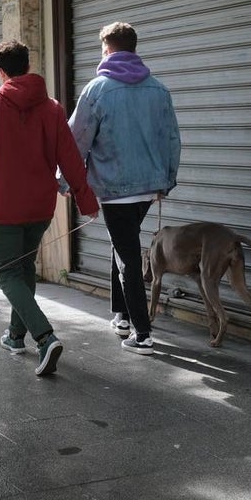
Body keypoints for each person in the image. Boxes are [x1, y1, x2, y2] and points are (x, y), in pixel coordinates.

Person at [0, 40, 99, 377]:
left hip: (5, 205)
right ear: (27, 65)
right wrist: (86, 199)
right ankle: (15, 335)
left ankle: (44, 336)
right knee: (23, 270)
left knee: (7, 273)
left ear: (1, 71)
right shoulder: (52, 108)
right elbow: (70, 157)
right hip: (40, 206)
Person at [67, 22, 181, 356]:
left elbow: (75, 140)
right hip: (148, 188)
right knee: (124, 246)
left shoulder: (97, 89)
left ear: (107, 50)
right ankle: (121, 316)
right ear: (134, 48)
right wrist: (167, 180)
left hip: (115, 189)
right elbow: (172, 139)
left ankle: (142, 333)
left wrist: (65, 181)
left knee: (128, 256)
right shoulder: (159, 90)